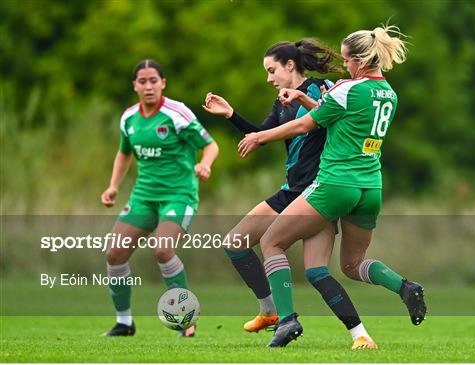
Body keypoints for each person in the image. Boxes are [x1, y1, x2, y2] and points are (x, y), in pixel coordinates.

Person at [238, 24, 427, 349]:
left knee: (271, 242)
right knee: (352, 265)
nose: (345, 66)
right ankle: (405, 287)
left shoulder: (347, 89)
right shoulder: (389, 94)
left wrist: (259, 136)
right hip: (371, 187)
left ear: (360, 60)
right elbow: (337, 116)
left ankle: (286, 321)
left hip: (336, 184)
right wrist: (301, 96)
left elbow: (303, 125)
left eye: (347, 60)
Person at [204, 40, 370, 347]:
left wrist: (304, 100)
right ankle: (278, 314)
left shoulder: (323, 87)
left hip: (317, 188)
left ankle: (291, 320)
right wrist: (230, 115)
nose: (269, 78)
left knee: (312, 268)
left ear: (290, 65)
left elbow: (322, 121)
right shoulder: (281, 101)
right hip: (293, 189)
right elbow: (260, 135)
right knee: (238, 244)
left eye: (272, 70)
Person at [100, 59, 219, 337]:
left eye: (153, 80)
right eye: (142, 81)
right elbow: (124, 153)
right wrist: (113, 186)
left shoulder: (177, 113)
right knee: (114, 254)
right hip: (144, 196)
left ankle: (185, 320)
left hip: (179, 195)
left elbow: (210, 144)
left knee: (163, 250)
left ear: (162, 83)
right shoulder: (129, 118)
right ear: (135, 86)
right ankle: (124, 323)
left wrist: (206, 164)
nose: (148, 86)